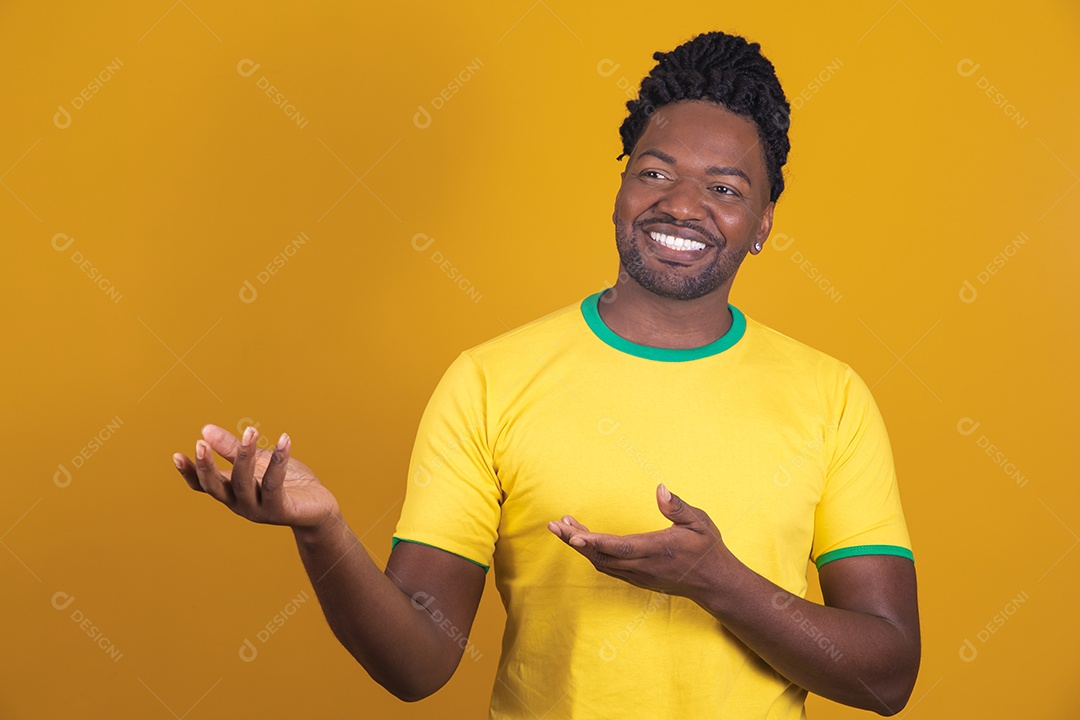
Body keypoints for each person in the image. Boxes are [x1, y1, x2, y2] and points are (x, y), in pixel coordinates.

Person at [172, 30, 919, 719]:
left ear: (762, 224)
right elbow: (417, 665)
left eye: (725, 188)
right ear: (622, 188)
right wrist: (323, 532)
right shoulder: (488, 381)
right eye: (655, 172)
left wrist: (717, 581)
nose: (681, 204)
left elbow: (887, 676)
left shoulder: (832, 397)